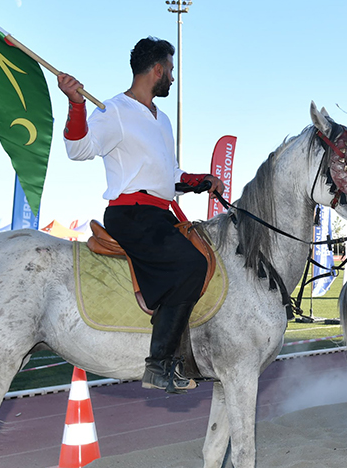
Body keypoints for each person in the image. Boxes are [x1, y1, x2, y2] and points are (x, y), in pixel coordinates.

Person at [57, 37, 225, 393]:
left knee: (202, 257)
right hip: (130, 214)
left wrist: (201, 181)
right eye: (171, 72)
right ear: (158, 70)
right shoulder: (113, 110)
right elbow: (78, 149)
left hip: (158, 215)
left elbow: (170, 176)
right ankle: (160, 364)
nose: (173, 79)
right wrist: (75, 104)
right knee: (191, 265)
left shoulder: (161, 119)